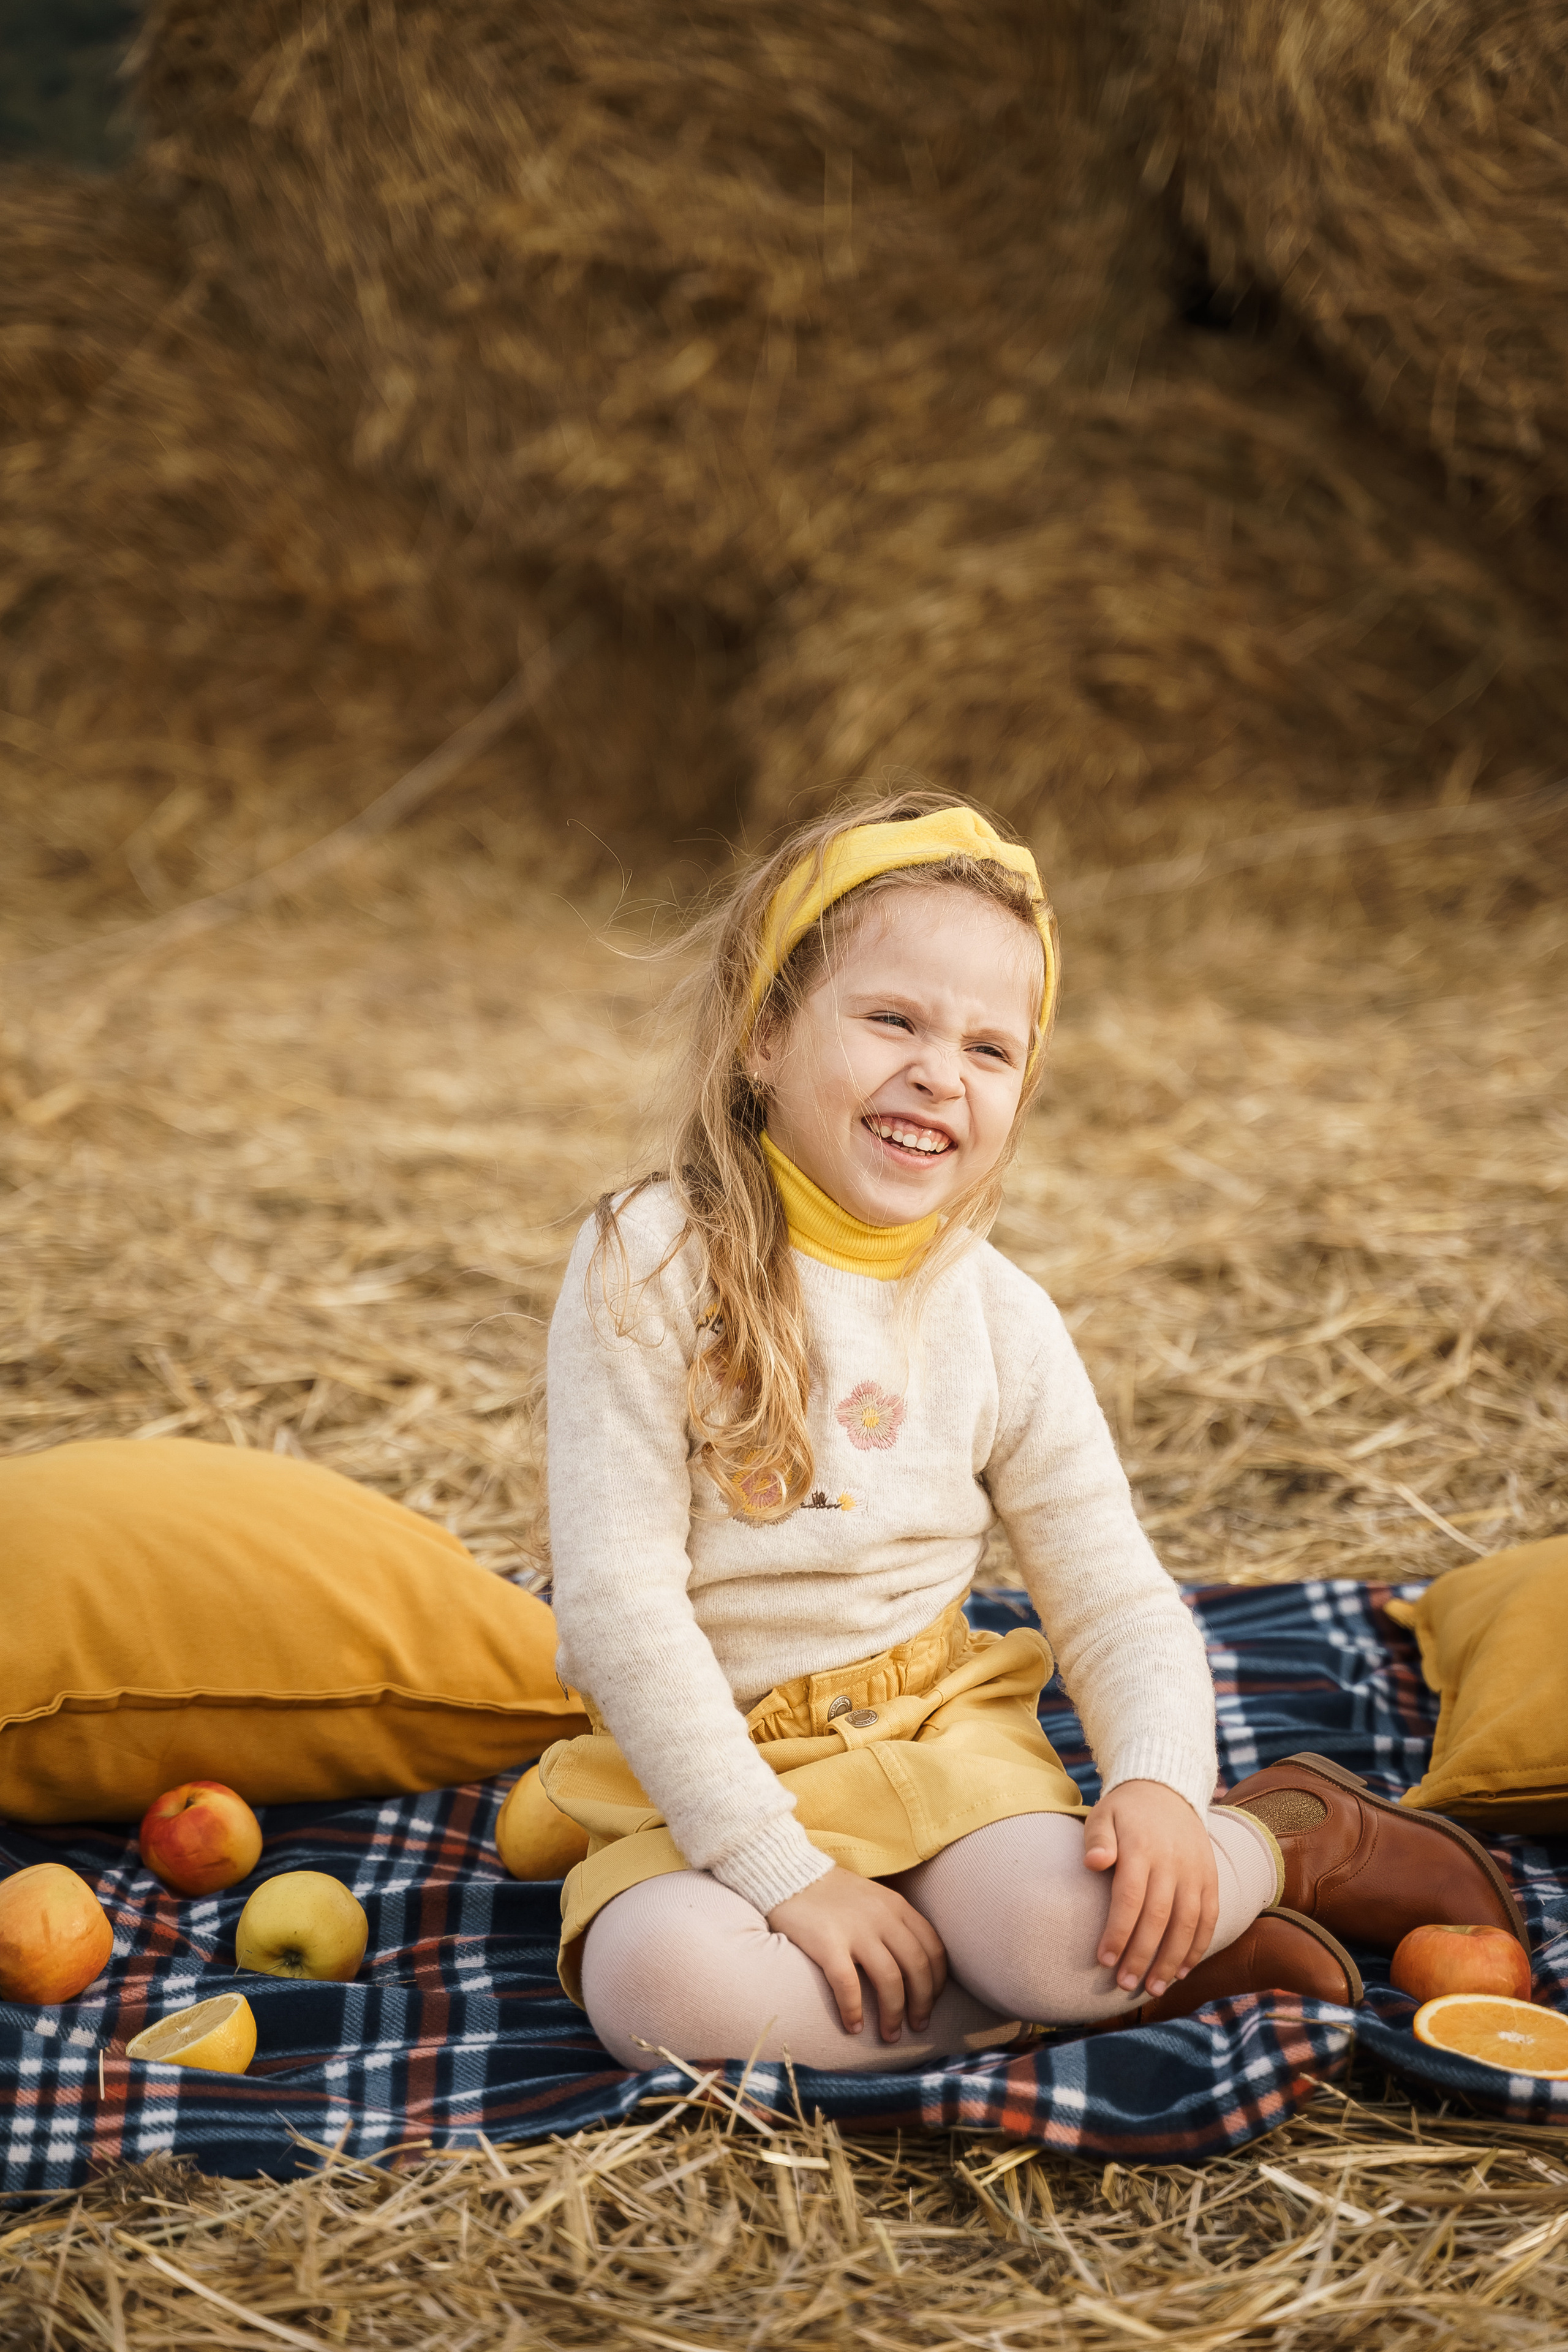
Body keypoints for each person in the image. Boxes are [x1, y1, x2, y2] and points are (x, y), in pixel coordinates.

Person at [529, 792, 1360, 2072]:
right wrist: (780, 1872)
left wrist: (1157, 1788)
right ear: (762, 1036)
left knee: (1070, 1929)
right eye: (892, 1020)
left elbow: (1114, 1601)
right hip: (704, 1767)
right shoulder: (647, 1265)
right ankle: (1088, 1990)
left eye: (989, 1049)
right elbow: (616, 1607)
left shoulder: (997, 1315)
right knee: (662, 1994)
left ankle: (1278, 1841)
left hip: (932, 1739)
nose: (938, 1071)